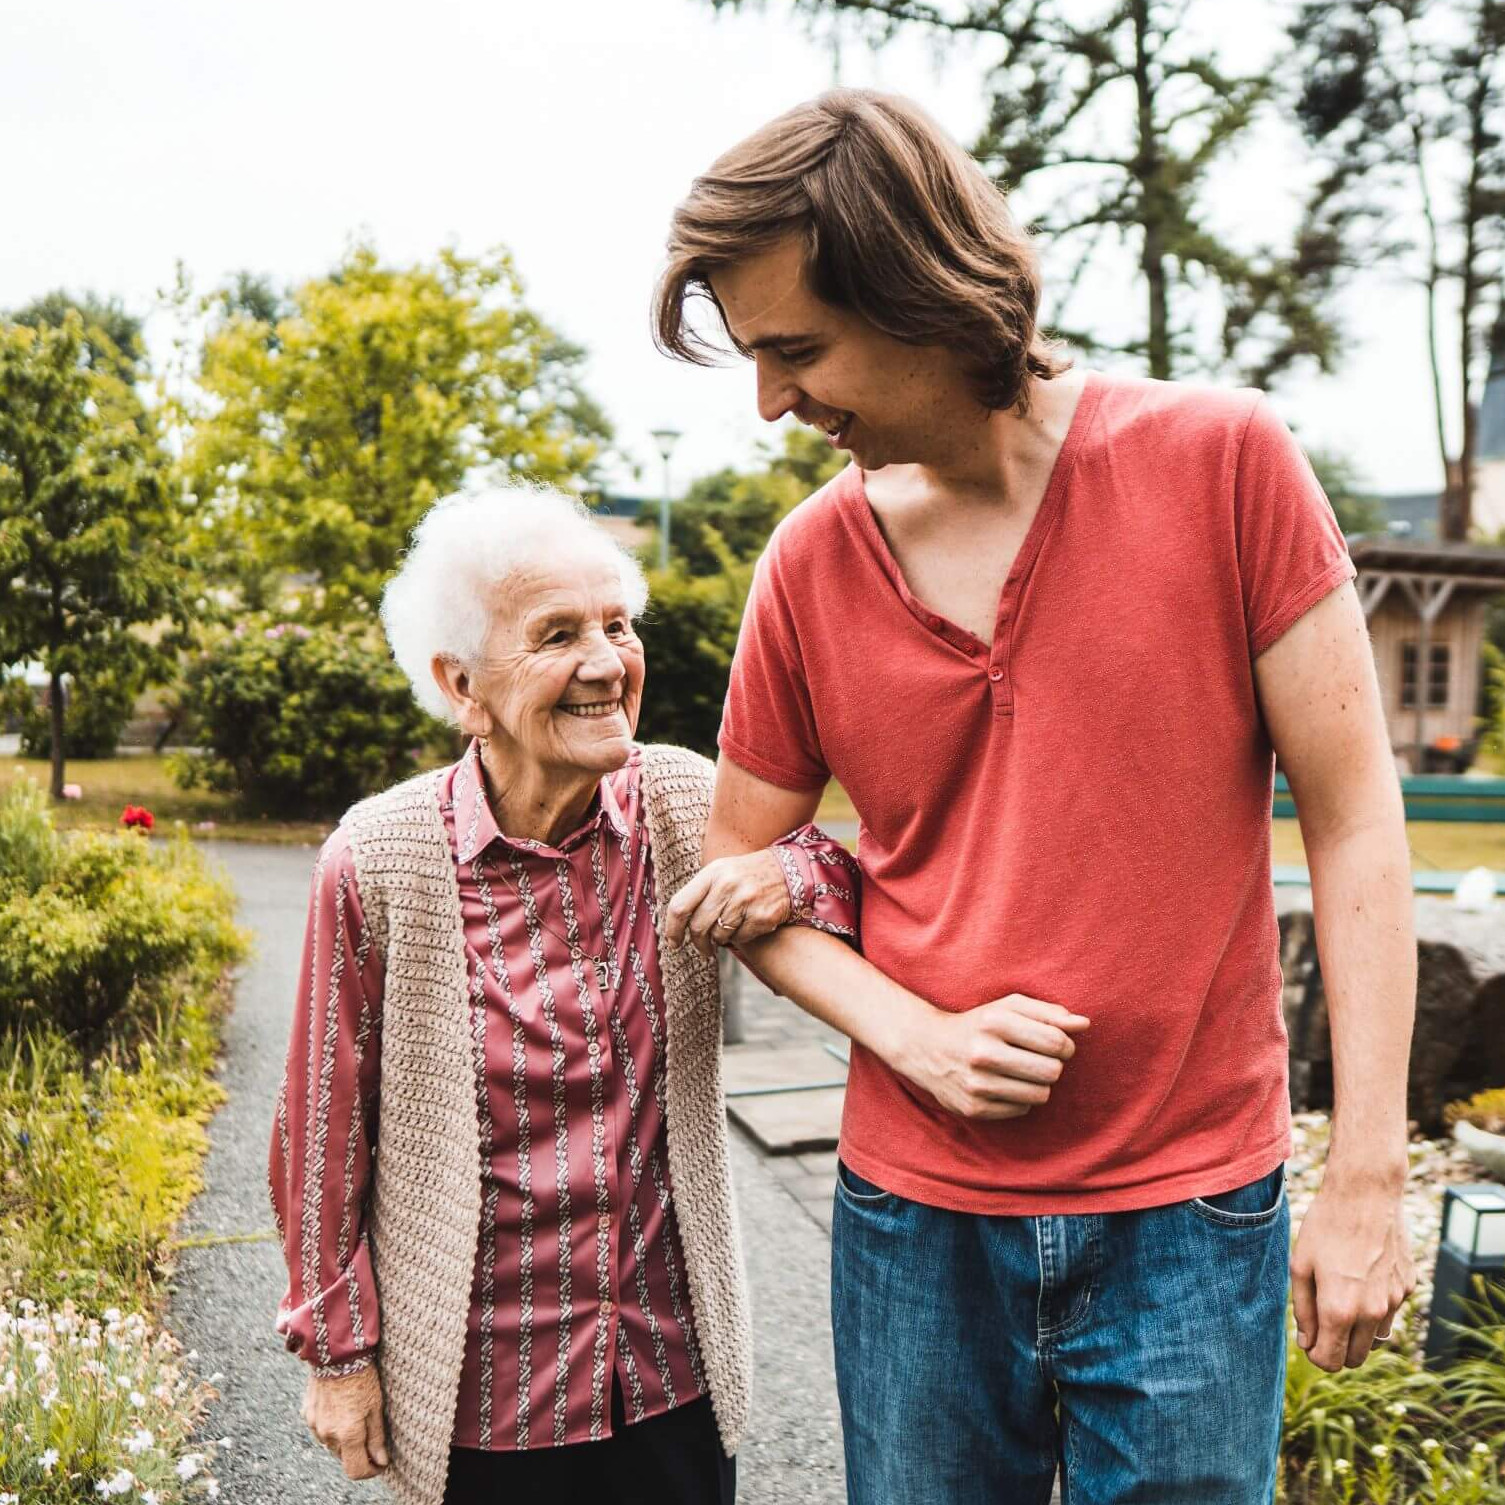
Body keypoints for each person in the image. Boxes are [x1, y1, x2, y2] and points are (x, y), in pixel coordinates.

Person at [658, 89, 1417, 1505]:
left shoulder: (1225, 464)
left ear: (919, 292)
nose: (772, 400)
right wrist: (915, 1036)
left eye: (795, 349)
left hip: (1192, 1218)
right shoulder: (807, 569)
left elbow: (1356, 819)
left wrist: (1366, 1178)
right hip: (913, 1227)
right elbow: (736, 877)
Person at [268, 483, 859, 1505]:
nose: (604, 661)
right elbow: (320, 1128)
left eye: (617, 625)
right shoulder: (379, 859)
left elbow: (837, 872)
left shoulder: (678, 798)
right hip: (485, 1399)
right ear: (464, 684)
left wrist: (789, 875)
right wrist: (336, 1352)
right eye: (556, 634)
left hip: (670, 1373)